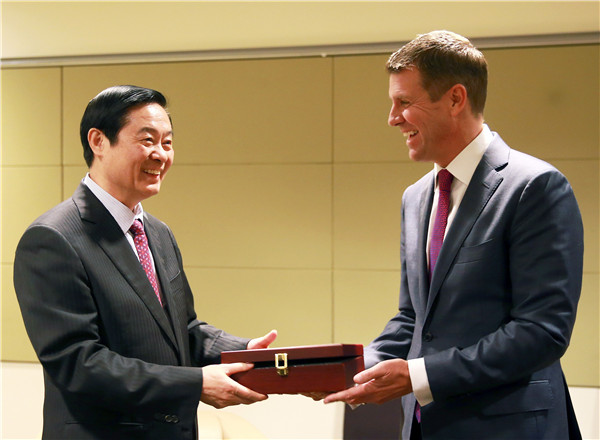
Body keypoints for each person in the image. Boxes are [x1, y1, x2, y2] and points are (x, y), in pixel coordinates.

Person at [324, 31, 584, 440]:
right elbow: (414, 319)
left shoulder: (535, 187)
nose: (392, 118)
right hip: (425, 428)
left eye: (404, 103)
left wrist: (419, 376)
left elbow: (542, 331)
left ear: (456, 99)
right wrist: (359, 370)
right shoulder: (415, 198)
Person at [14, 85, 277, 440]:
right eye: (147, 140)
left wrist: (241, 350)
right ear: (98, 141)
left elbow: (182, 330)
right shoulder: (54, 238)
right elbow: (78, 363)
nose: (160, 154)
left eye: (167, 143)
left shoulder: (157, 232)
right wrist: (194, 384)